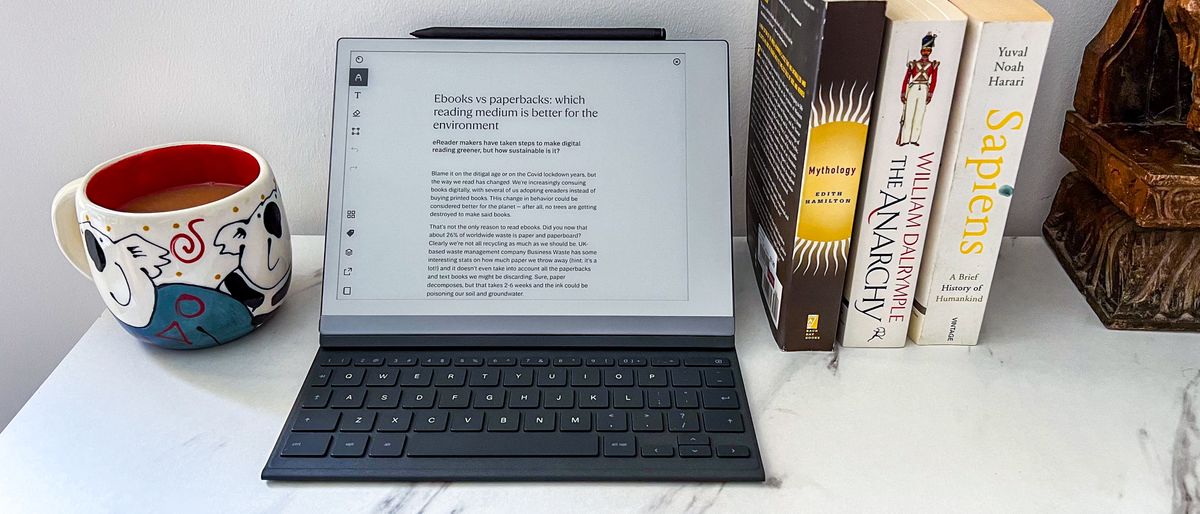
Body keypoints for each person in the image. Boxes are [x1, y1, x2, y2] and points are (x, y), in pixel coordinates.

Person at [898, 33, 941, 146]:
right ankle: (905, 140)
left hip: (924, 90)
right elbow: (906, 79)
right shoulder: (913, 64)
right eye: (924, 50)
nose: (926, 52)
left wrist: (930, 94)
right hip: (913, 88)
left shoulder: (933, 65)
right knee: (908, 114)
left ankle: (914, 140)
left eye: (928, 50)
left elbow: (934, 80)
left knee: (919, 115)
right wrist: (903, 93)